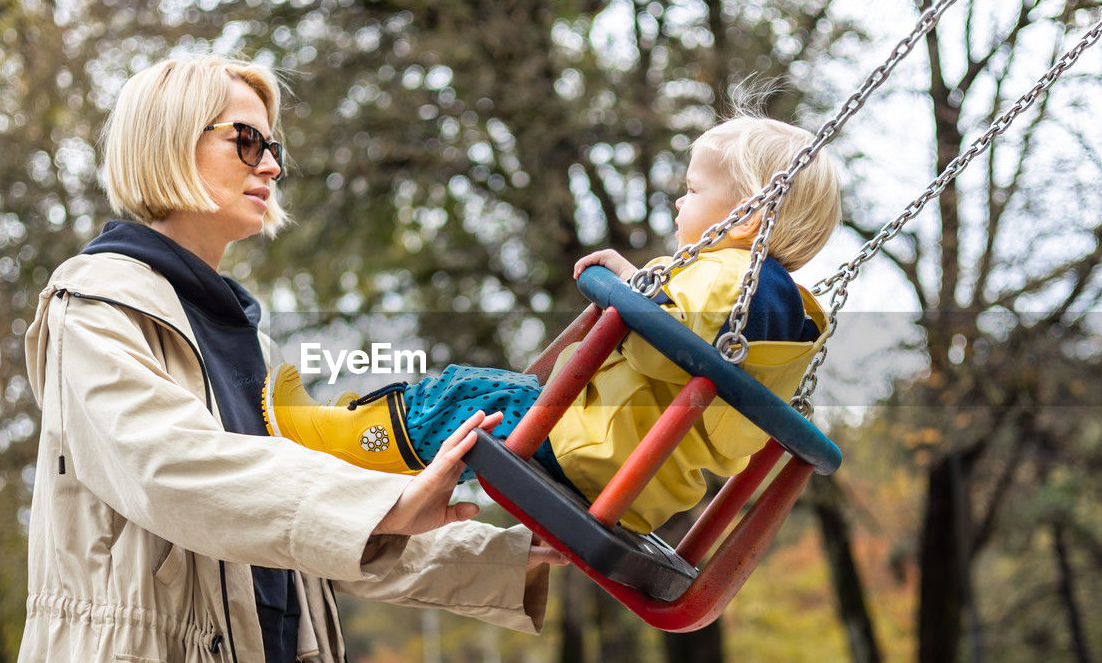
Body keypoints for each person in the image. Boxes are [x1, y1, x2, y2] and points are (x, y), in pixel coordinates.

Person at [0, 55, 563, 663]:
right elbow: (172, 469)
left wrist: (513, 555)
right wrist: (383, 500)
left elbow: (306, 533)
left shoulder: (243, 336)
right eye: (246, 141)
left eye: (274, 148)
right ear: (168, 140)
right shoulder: (94, 309)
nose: (269, 165)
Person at [263, 116, 841, 534]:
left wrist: (634, 297)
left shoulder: (728, 275)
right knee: (483, 398)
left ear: (751, 217)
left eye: (692, 190)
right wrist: (642, 283)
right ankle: (360, 431)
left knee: (461, 396)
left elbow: (665, 349)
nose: (676, 203)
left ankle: (338, 440)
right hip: (633, 477)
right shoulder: (781, 309)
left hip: (587, 448)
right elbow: (698, 337)